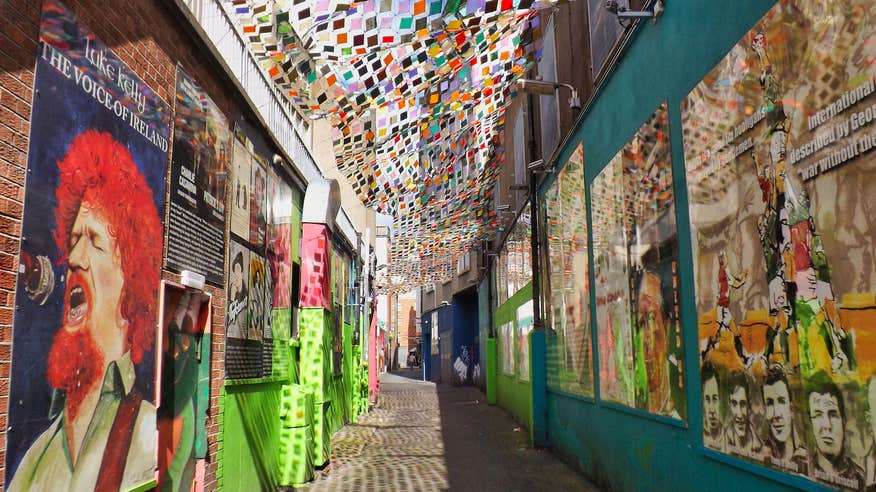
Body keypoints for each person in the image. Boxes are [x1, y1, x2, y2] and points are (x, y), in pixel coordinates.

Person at [9, 130, 163, 491]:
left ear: (132, 275)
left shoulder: (147, 436)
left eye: (93, 241)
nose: (74, 259)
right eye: (73, 240)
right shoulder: (34, 459)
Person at [807, 371, 863, 489]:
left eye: (832, 414)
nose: (827, 425)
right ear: (810, 423)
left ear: (844, 421)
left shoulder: (861, 481)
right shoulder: (802, 470)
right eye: (817, 415)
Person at [762, 364, 807, 473]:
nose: (776, 414)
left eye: (781, 401)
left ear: (791, 409)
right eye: (769, 403)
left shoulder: (806, 461)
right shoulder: (761, 455)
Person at [724, 371, 763, 459]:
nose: (739, 414)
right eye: (734, 404)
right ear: (729, 405)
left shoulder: (760, 447)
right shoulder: (723, 441)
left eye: (743, 404)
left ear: (749, 406)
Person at [702, 363, 724, 451]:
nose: (711, 409)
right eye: (707, 399)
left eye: (715, 399)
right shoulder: (699, 434)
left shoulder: (727, 436)